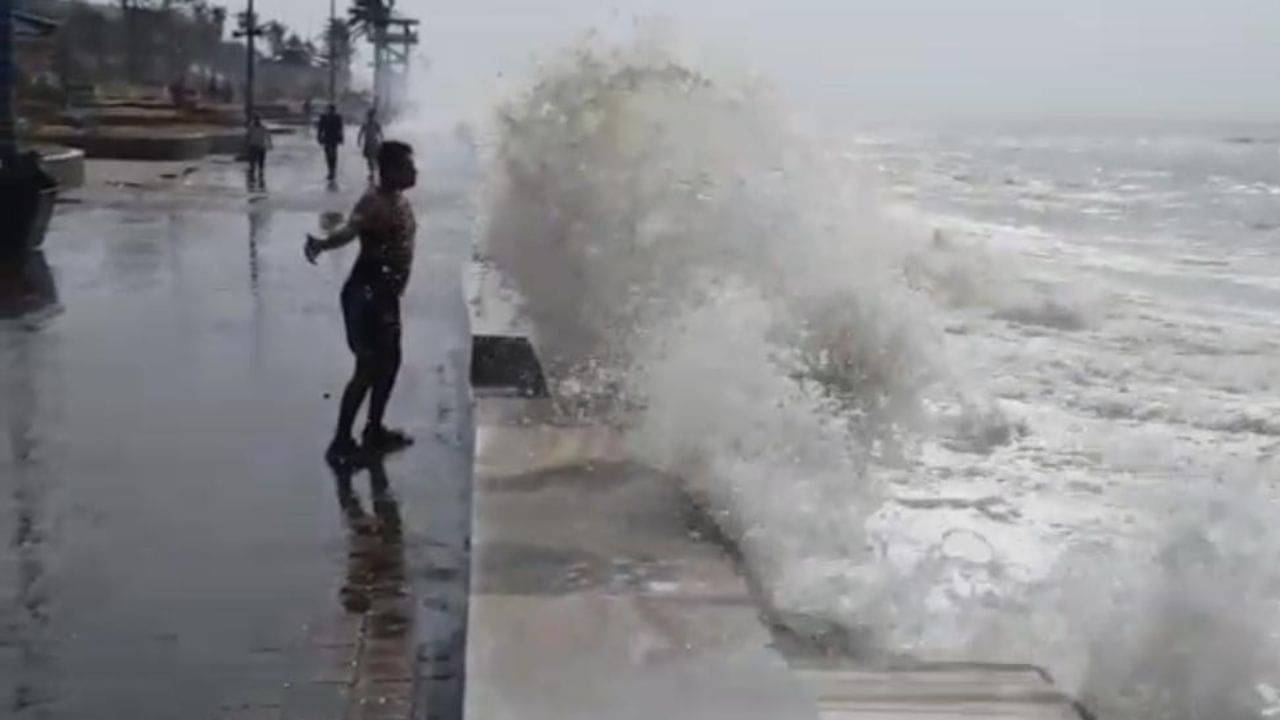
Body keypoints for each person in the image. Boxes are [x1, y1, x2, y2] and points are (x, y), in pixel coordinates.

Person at [305, 141, 418, 466]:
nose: (415, 172)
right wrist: (324, 244)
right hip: (366, 295)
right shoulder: (374, 202)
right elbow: (350, 230)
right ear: (391, 169)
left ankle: (374, 429)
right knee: (368, 367)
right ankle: (341, 440)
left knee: (390, 363)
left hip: (385, 296)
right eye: (408, 166)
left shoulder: (399, 201)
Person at [316, 104, 346, 181]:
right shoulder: (324, 117)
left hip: (334, 139)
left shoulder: (337, 117)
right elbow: (320, 128)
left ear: (333, 110)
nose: (330, 111)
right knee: (328, 155)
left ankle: (332, 170)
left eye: (331, 110)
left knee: (333, 155)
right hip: (327, 139)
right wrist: (319, 137)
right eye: (328, 109)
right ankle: (330, 170)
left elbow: (340, 128)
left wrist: (341, 137)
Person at [246, 115, 273, 188]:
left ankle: (260, 177)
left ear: (259, 120)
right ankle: (252, 178)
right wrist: (247, 145)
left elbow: (268, 136)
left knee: (261, 163)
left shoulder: (263, 128)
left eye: (257, 119)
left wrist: (270, 144)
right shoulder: (251, 128)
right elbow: (247, 136)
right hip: (253, 147)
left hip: (261, 147)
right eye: (255, 119)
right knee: (252, 163)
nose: (256, 121)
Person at [356, 108, 383, 181]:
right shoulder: (365, 124)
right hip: (368, 143)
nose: (370, 117)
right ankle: (372, 173)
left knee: (374, 158)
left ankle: (374, 171)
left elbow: (380, 133)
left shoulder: (376, 124)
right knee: (369, 159)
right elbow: (360, 133)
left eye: (372, 116)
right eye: (370, 116)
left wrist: (381, 141)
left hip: (374, 143)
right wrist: (358, 141)